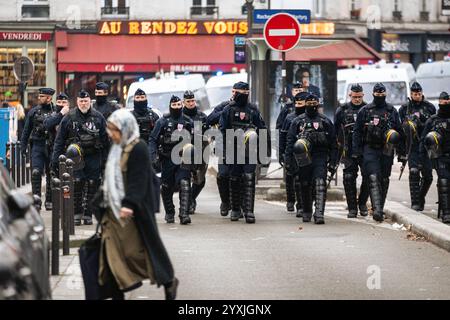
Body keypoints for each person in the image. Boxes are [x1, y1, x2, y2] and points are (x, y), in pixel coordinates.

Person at [96, 108, 178, 300]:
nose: (111, 134)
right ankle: (117, 293)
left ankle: (168, 281)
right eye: (110, 130)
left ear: (125, 129)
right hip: (113, 213)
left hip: (133, 212)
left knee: (142, 252)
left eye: (114, 130)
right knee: (111, 255)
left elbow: (138, 180)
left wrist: (129, 204)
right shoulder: (116, 148)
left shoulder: (138, 147)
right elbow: (110, 179)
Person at [52, 89, 109, 225]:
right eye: (81, 101)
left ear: (90, 101)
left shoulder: (98, 117)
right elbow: (59, 140)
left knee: (92, 184)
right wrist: (55, 160)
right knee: (77, 183)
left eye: (86, 101)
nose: (83, 103)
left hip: (94, 156)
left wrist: (106, 160)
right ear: (77, 102)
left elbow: (106, 140)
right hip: (75, 157)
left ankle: (88, 214)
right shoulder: (69, 117)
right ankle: (76, 213)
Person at [352, 83, 404, 222]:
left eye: (382, 94)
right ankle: (377, 210)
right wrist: (356, 151)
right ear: (373, 94)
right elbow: (357, 132)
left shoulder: (392, 110)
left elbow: (399, 131)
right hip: (370, 148)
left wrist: (402, 152)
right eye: (378, 94)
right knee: (373, 177)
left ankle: (380, 206)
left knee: (384, 179)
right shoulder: (366, 110)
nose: (380, 96)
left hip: (386, 149)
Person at [285, 94, 337, 224]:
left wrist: (333, 162)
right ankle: (307, 211)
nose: (312, 105)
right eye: (309, 103)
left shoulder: (325, 121)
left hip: (320, 155)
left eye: (315, 103)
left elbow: (334, 143)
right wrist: (288, 161)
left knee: (320, 182)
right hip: (303, 157)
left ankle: (319, 213)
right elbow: (290, 142)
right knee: (305, 184)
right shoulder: (298, 121)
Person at [219, 82, 266, 223]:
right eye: (241, 93)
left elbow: (261, 129)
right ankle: (235, 209)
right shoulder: (228, 109)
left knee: (249, 178)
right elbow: (222, 129)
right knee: (234, 178)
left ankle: (249, 211)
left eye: (246, 93)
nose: (244, 95)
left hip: (250, 150)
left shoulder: (253, 110)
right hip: (233, 148)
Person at [149, 95, 194, 225]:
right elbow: (153, 139)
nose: (176, 107)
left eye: (178, 105)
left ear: (182, 105)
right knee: (166, 187)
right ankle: (169, 212)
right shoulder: (162, 121)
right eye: (174, 105)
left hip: (182, 159)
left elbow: (195, 140)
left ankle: (184, 214)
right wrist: (153, 156)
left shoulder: (187, 121)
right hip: (167, 159)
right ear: (170, 106)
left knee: (184, 183)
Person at [206, 82, 243, 217]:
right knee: (223, 175)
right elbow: (209, 119)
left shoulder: (248, 108)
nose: (234, 94)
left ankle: (238, 205)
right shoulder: (223, 106)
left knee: (240, 177)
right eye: (233, 91)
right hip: (224, 147)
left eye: (237, 92)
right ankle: (225, 202)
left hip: (242, 148)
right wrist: (227, 110)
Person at [334, 84, 370, 218]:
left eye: (359, 97)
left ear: (363, 96)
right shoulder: (342, 110)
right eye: (354, 97)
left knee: (368, 177)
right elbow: (335, 130)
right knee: (349, 178)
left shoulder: (368, 109)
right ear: (350, 96)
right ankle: (352, 208)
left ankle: (362, 203)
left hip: (365, 148)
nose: (357, 99)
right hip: (348, 149)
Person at [399, 82, 436, 211]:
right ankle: (415, 202)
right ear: (411, 94)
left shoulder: (429, 107)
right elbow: (401, 129)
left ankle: (420, 197)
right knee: (414, 172)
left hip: (426, 146)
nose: (417, 96)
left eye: (419, 93)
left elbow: (434, 126)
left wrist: (421, 124)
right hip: (413, 145)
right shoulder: (404, 108)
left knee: (428, 176)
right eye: (415, 94)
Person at [20, 87, 56, 211]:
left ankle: (49, 200)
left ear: (49, 98)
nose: (39, 98)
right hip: (37, 145)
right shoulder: (34, 112)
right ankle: (36, 199)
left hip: (51, 146)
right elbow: (26, 131)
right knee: (36, 173)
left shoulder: (56, 111)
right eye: (39, 96)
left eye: (42, 96)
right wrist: (23, 147)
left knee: (51, 173)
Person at [420, 91, 450, 224]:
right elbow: (424, 140)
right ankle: (446, 213)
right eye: (444, 103)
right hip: (440, 156)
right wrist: (422, 159)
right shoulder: (433, 120)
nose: (446, 105)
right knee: (444, 181)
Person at [279, 92, 308, 217]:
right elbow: (283, 135)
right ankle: (297, 204)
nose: (299, 106)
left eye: (301, 104)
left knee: (306, 180)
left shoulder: (313, 118)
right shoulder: (290, 118)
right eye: (297, 103)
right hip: (293, 152)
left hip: (307, 153)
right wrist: (282, 153)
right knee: (295, 178)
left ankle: (305, 204)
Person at [182, 90, 209, 215]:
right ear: (184, 102)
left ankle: (191, 198)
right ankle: (188, 203)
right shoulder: (180, 116)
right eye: (188, 101)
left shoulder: (202, 116)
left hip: (201, 150)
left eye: (193, 101)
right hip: (184, 150)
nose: (191, 103)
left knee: (200, 180)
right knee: (185, 178)